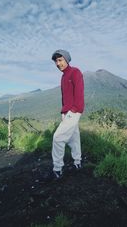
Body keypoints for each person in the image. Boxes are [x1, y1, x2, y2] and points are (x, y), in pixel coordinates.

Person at [51, 49, 84, 179]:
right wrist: (64, 112)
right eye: (56, 61)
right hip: (67, 112)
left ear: (66, 59)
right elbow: (65, 97)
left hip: (73, 111)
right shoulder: (63, 76)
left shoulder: (75, 72)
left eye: (60, 60)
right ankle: (78, 162)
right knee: (74, 139)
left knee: (58, 137)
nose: (58, 63)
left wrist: (75, 109)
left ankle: (57, 168)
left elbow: (79, 92)